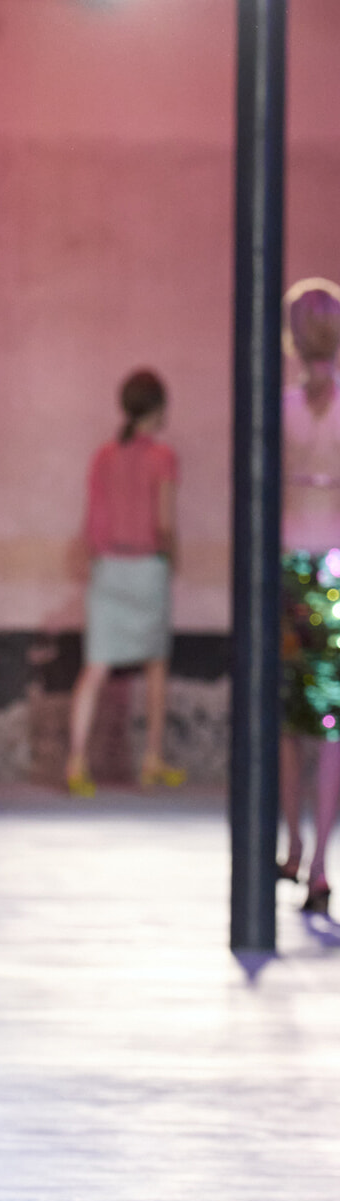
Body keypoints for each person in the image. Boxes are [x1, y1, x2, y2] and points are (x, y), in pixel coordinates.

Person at [66, 369, 185, 796]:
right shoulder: (163, 457)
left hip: (108, 569)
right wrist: (174, 558)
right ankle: (152, 759)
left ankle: (76, 763)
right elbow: (166, 521)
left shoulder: (104, 456)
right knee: (155, 665)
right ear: (157, 408)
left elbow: (92, 518)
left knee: (94, 667)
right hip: (147, 567)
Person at [278, 279, 340, 917]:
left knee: (286, 721)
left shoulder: (284, 408)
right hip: (337, 573)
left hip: (288, 568)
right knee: (331, 726)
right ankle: (321, 859)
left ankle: (292, 844)